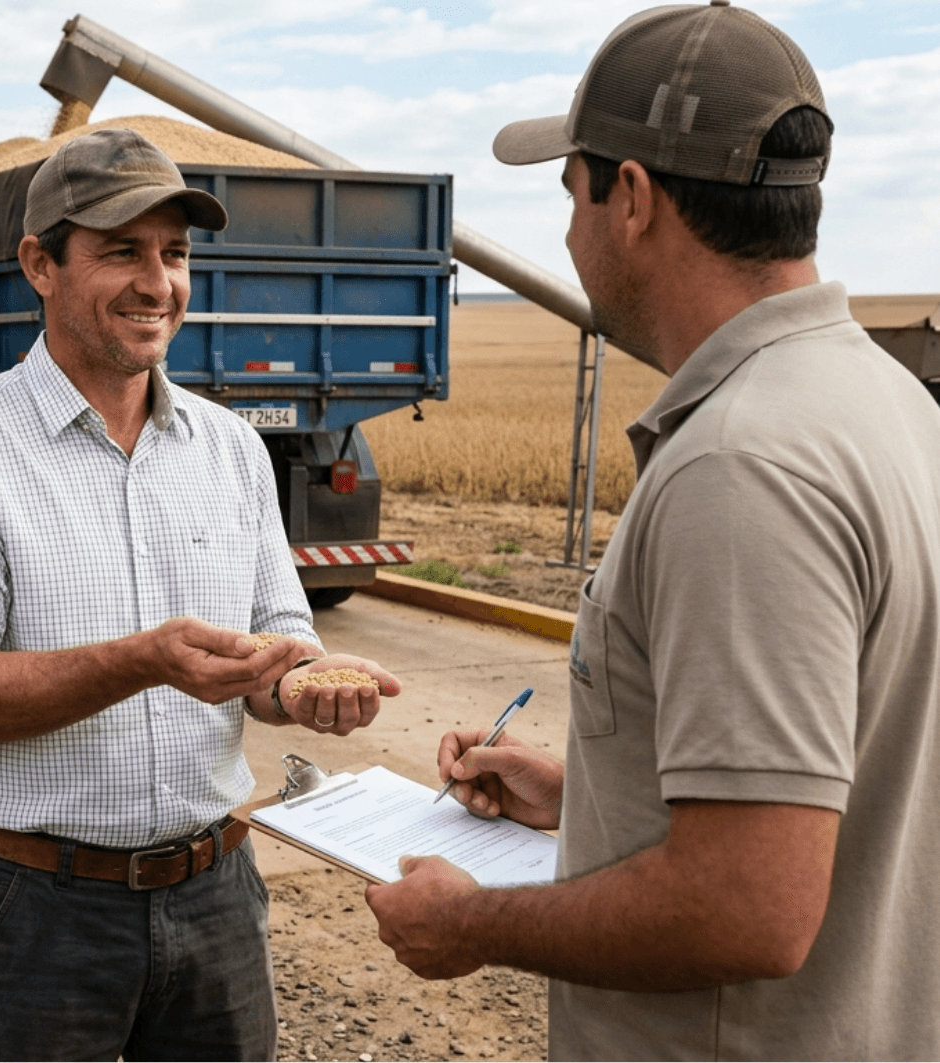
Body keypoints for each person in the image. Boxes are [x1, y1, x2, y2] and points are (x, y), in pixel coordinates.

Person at [363, 2, 940, 1058]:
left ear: (629, 197)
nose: (569, 231)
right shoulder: (889, 403)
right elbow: (828, 789)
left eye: (568, 190)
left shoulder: (741, 464)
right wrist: (590, 801)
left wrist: (470, 922)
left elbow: (747, 906)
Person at [0, 127, 401, 1061]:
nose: (157, 282)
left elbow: (277, 639)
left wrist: (306, 686)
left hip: (216, 896)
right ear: (41, 263)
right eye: (122, 250)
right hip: (33, 911)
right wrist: (142, 662)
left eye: (175, 252)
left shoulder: (230, 448)